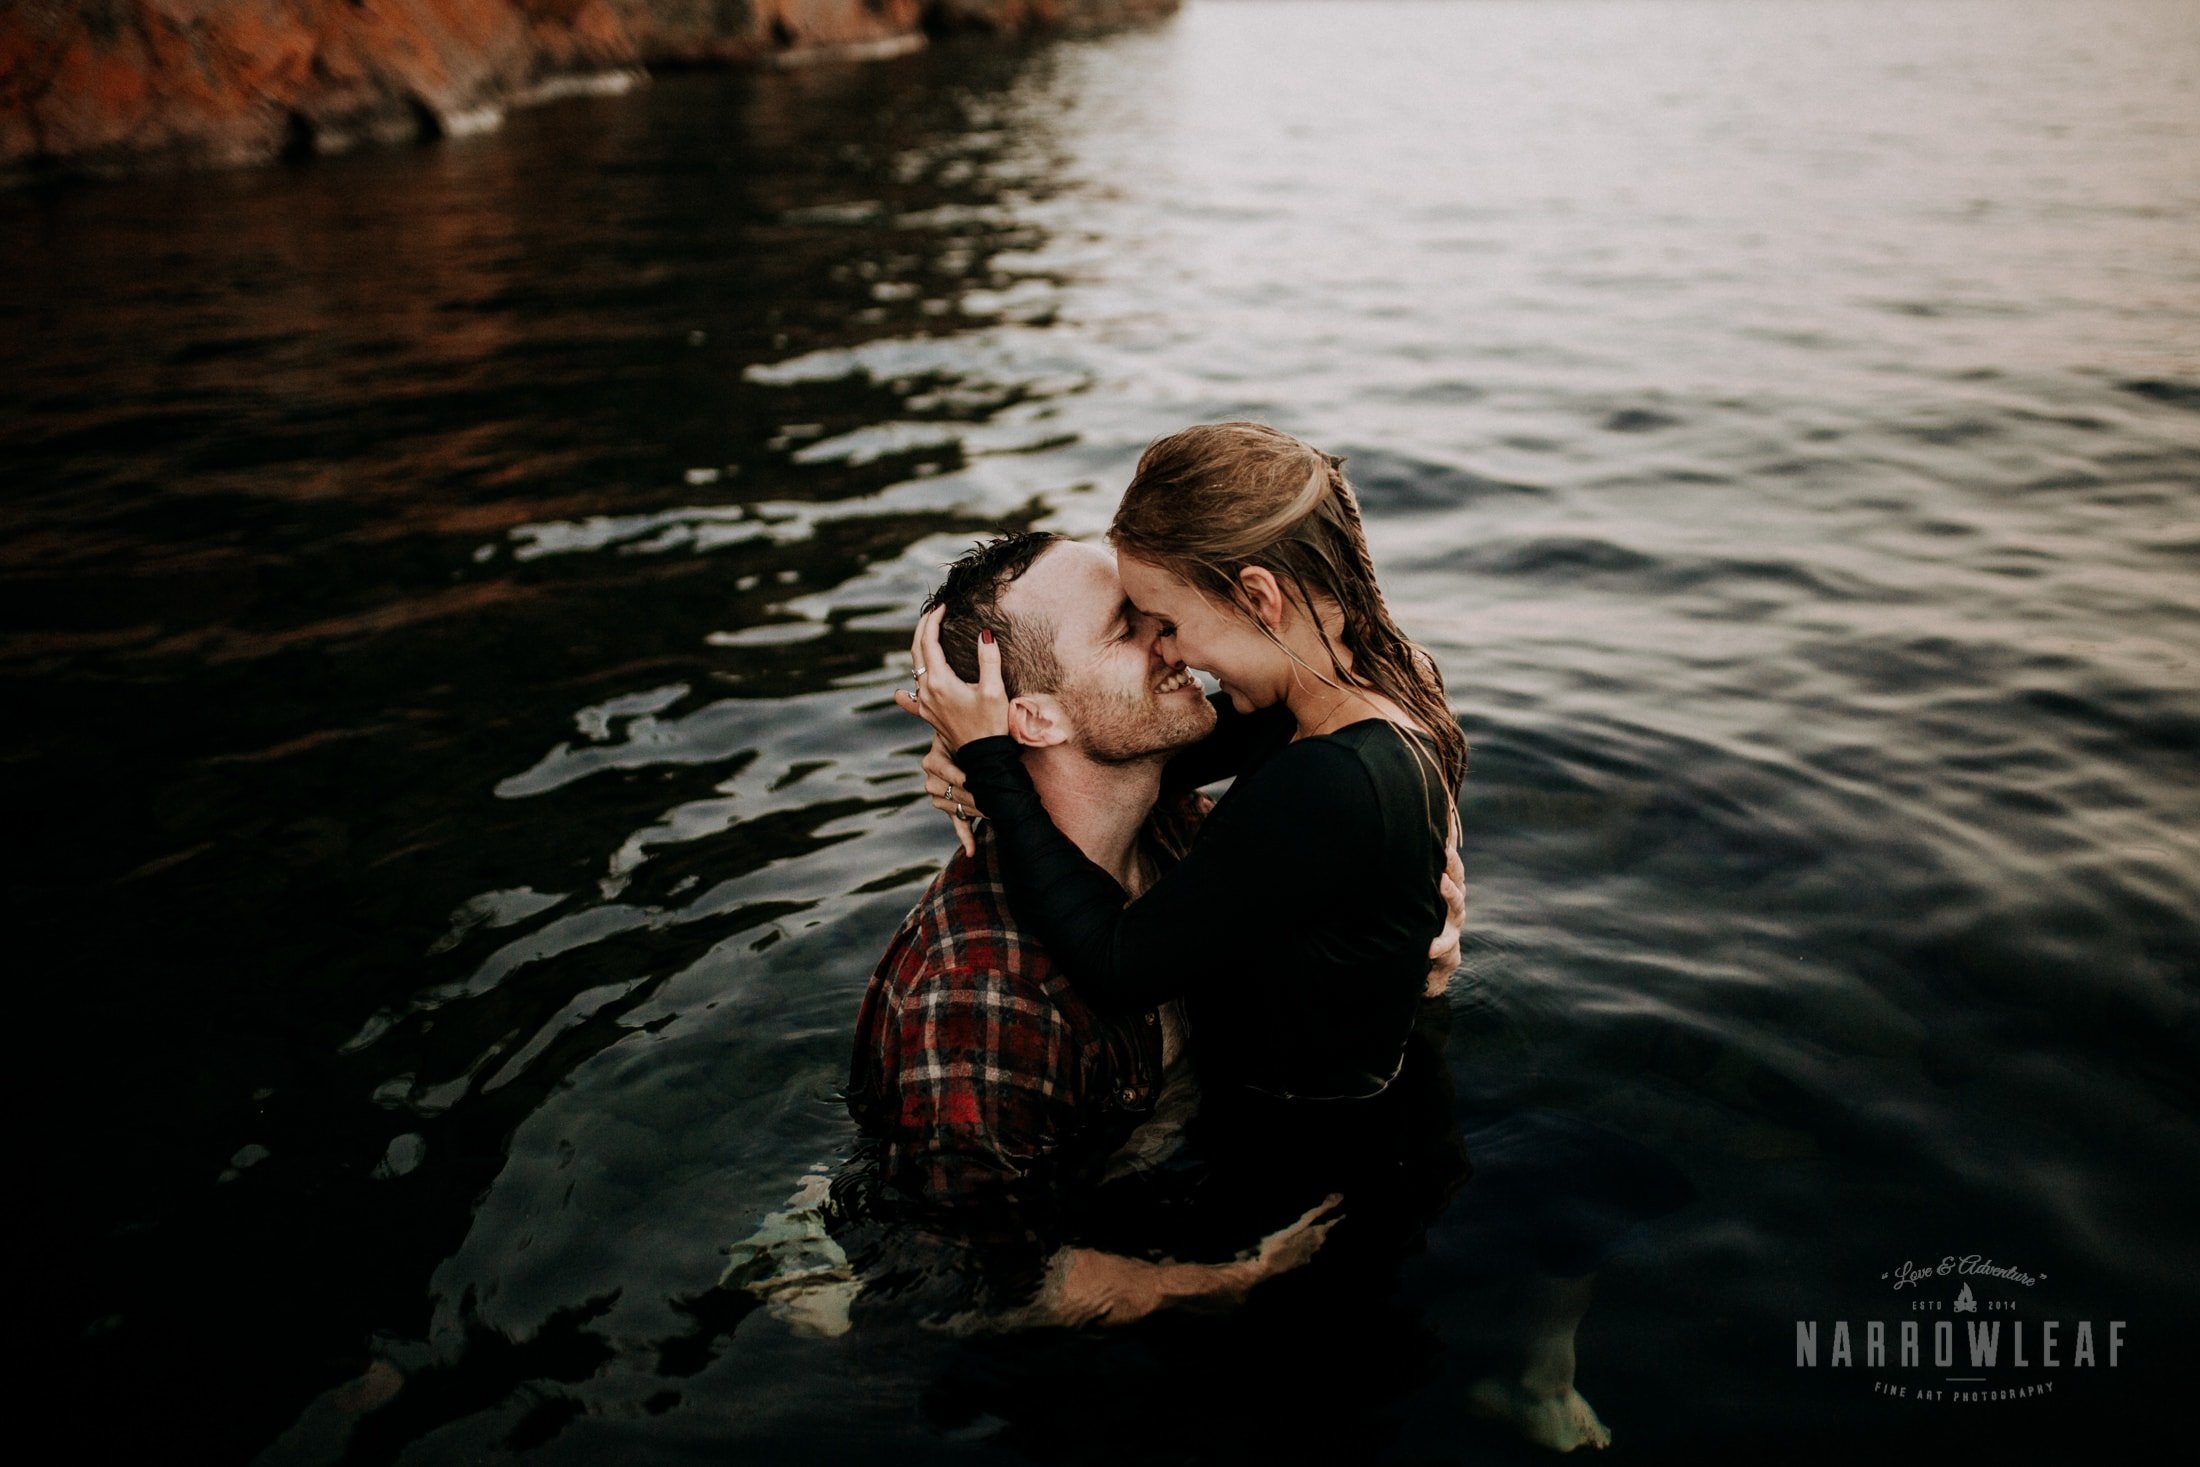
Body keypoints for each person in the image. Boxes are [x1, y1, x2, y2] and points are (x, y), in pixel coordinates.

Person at [829, 529, 1466, 1330]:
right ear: (1032, 716)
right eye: (1125, 628)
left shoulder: (1180, 829)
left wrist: (1418, 952)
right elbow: (974, 1284)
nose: (1172, 640)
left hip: (1207, 1167)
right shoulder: (979, 1007)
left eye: (1155, 612)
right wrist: (1228, 1281)